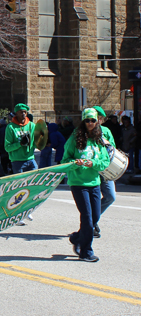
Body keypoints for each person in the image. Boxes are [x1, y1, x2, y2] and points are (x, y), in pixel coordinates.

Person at [62, 108, 110, 262]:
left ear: (97, 122)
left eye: (93, 120)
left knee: (95, 217)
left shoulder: (99, 139)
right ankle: (86, 251)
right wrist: (75, 163)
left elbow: (105, 162)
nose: (90, 123)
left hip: (94, 183)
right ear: (83, 121)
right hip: (78, 183)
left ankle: (77, 237)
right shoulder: (74, 139)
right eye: (87, 120)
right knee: (87, 218)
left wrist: (93, 163)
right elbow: (64, 161)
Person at [4, 103, 37, 224]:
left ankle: (27, 210)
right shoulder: (11, 128)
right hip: (17, 161)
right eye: (20, 112)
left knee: (32, 186)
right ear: (16, 113)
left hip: (30, 159)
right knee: (19, 188)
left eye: (25, 111)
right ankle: (17, 214)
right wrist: (20, 144)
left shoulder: (32, 126)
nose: (23, 113)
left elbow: (38, 141)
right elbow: (7, 148)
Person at [92, 106, 117, 238]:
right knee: (92, 199)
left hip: (106, 170)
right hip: (92, 171)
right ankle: (91, 223)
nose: (93, 121)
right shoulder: (84, 132)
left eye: (96, 119)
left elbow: (113, 149)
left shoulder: (106, 131)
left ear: (100, 120)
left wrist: (106, 144)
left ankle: (91, 220)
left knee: (110, 196)